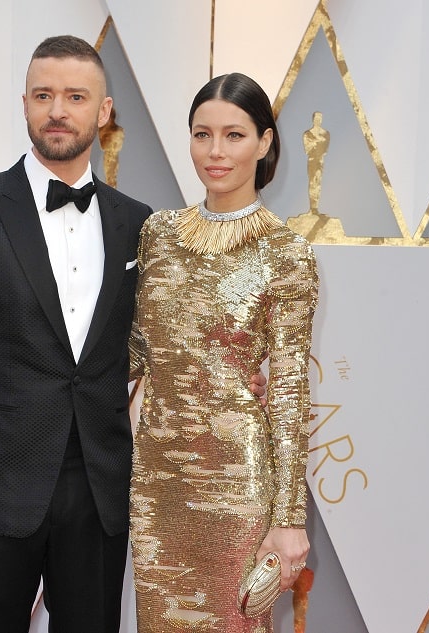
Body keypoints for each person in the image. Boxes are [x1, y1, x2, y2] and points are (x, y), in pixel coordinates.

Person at [0, 36, 269, 633]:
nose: (58, 111)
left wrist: (228, 372)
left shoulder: (139, 224)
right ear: (24, 104)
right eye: (44, 95)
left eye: (76, 97)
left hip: (99, 486)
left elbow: (158, 341)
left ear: (104, 111)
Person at [129, 72, 318, 632]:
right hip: (156, 485)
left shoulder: (288, 254)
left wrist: (288, 518)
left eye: (234, 135)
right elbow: (135, 352)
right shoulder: (157, 234)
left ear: (264, 143)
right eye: (201, 133)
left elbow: (286, 390)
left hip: (238, 484)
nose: (215, 151)